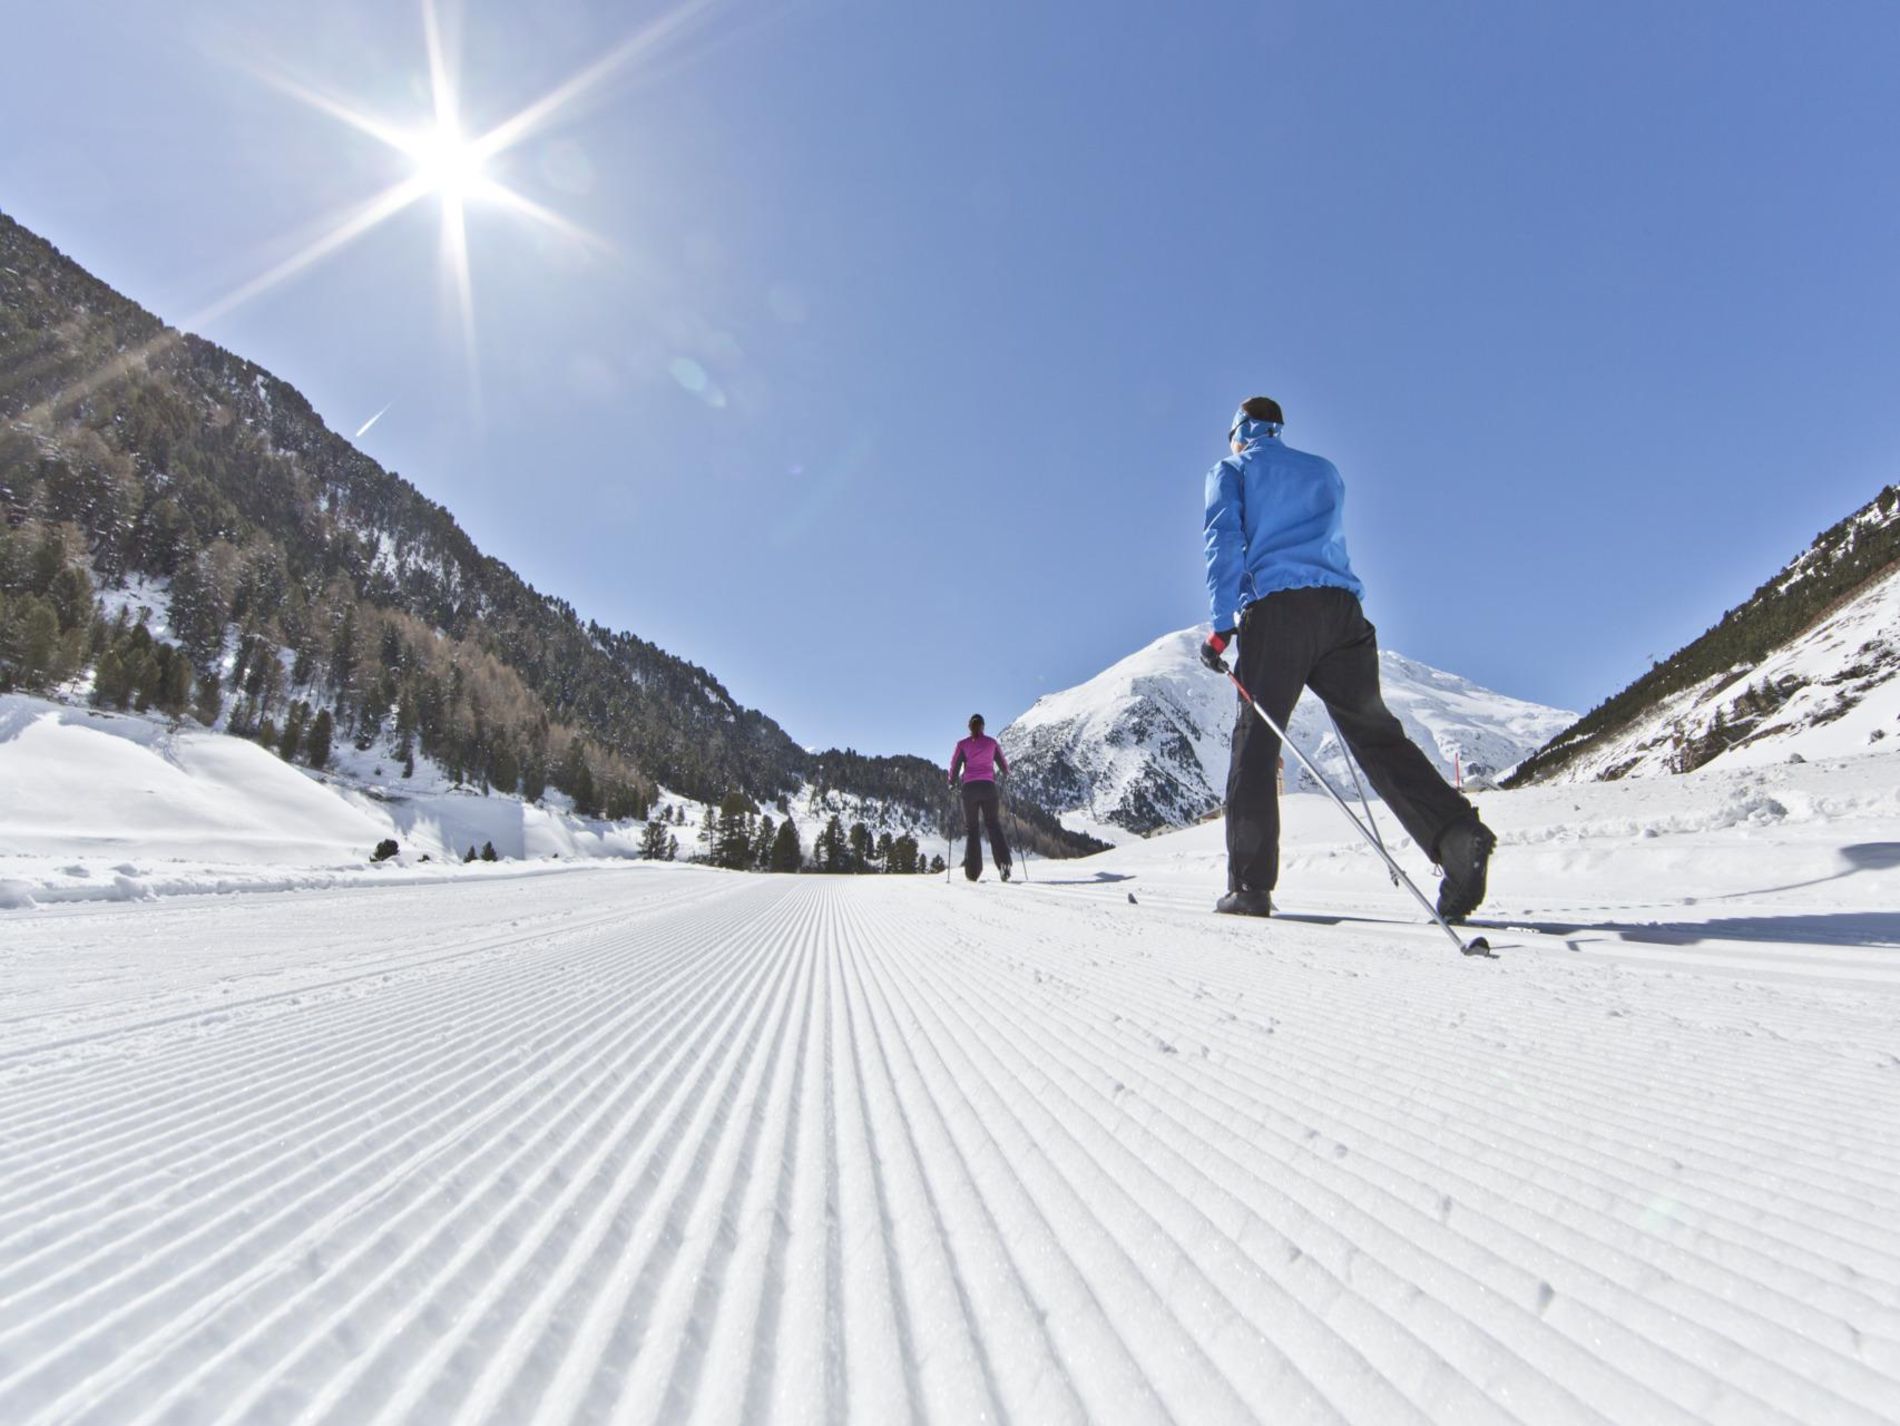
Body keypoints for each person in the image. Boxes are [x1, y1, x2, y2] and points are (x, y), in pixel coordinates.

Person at [1201, 396, 1496, 919]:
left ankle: (1249, 886)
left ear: (1241, 431)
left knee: (1256, 742)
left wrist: (1221, 629)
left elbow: (1224, 545)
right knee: (1377, 735)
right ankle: (1455, 833)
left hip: (1276, 611)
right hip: (1343, 613)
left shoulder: (1231, 471)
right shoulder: (1324, 472)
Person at [949, 713, 1013, 882]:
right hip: (988, 788)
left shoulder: (962, 745)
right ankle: (1004, 863)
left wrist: (951, 782)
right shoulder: (992, 743)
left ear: (969, 727)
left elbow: (954, 766)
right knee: (993, 824)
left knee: (972, 829)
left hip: (969, 789)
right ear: (983, 726)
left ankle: (973, 872)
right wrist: (1007, 774)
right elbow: (1003, 765)